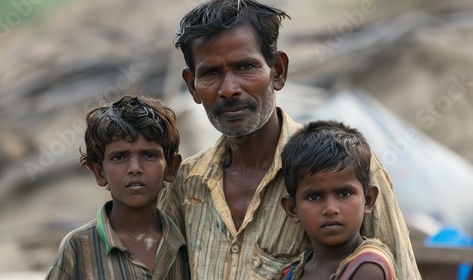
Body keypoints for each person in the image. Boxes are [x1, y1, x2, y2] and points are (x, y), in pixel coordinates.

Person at [158, 0, 420, 279]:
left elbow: (402, 272)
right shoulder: (186, 184)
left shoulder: (344, 166)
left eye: (245, 67)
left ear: (278, 71)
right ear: (192, 86)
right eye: (211, 73)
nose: (229, 89)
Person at [45, 95, 190, 279]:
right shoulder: (78, 248)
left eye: (149, 155)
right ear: (99, 172)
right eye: (119, 157)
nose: (135, 168)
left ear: (171, 168)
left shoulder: (188, 246)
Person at [280, 120, 397, 280]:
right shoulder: (295, 271)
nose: (330, 209)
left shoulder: (369, 268)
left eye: (344, 194)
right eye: (314, 197)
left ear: (368, 200)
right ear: (292, 209)